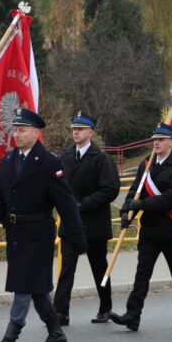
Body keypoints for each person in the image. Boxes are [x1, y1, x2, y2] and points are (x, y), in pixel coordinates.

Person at [0, 107, 87, 342]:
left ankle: (9, 341)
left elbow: (66, 203)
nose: (16, 134)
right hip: (16, 233)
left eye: (22, 130)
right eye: (15, 130)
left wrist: (77, 236)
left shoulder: (49, 162)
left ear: (36, 133)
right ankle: (56, 333)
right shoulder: (8, 161)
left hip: (39, 234)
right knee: (37, 288)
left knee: (23, 286)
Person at [109, 124, 172, 331]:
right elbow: (134, 192)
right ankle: (133, 315)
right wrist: (126, 211)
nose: (156, 142)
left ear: (171, 142)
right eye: (154, 139)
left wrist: (143, 205)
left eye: (161, 139)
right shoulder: (146, 164)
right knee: (142, 274)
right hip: (149, 230)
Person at [53, 112, 120, 326]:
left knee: (99, 266)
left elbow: (110, 189)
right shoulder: (65, 157)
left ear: (91, 132)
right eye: (74, 128)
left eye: (80, 129)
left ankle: (105, 307)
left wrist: (82, 205)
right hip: (71, 224)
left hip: (94, 223)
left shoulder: (101, 158)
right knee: (66, 269)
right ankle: (60, 312)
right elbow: (57, 185)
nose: (76, 132)